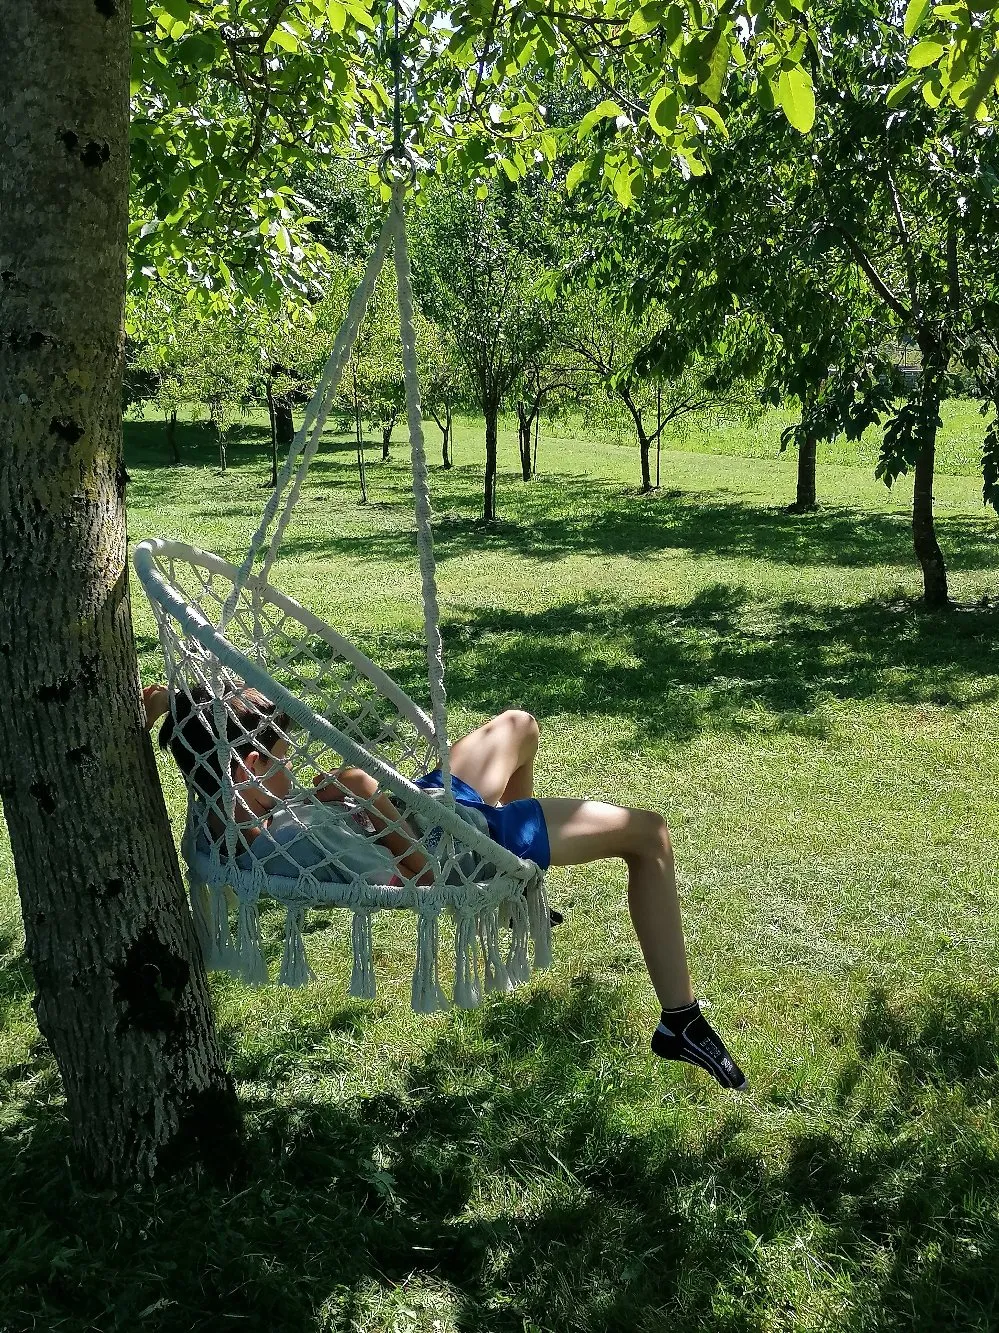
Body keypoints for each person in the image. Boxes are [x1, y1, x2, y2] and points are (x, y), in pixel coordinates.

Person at [142, 683, 747, 1090]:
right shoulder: (292, 842)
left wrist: (167, 700)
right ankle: (681, 1020)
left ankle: (521, 902)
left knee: (518, 725)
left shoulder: (224, 813)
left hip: (431, 804)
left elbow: (214, 730)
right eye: (284, 756)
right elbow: (416, 882)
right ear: (248, 766)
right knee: (650, 836)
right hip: (466, 847)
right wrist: (364, 793)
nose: (293, 766)